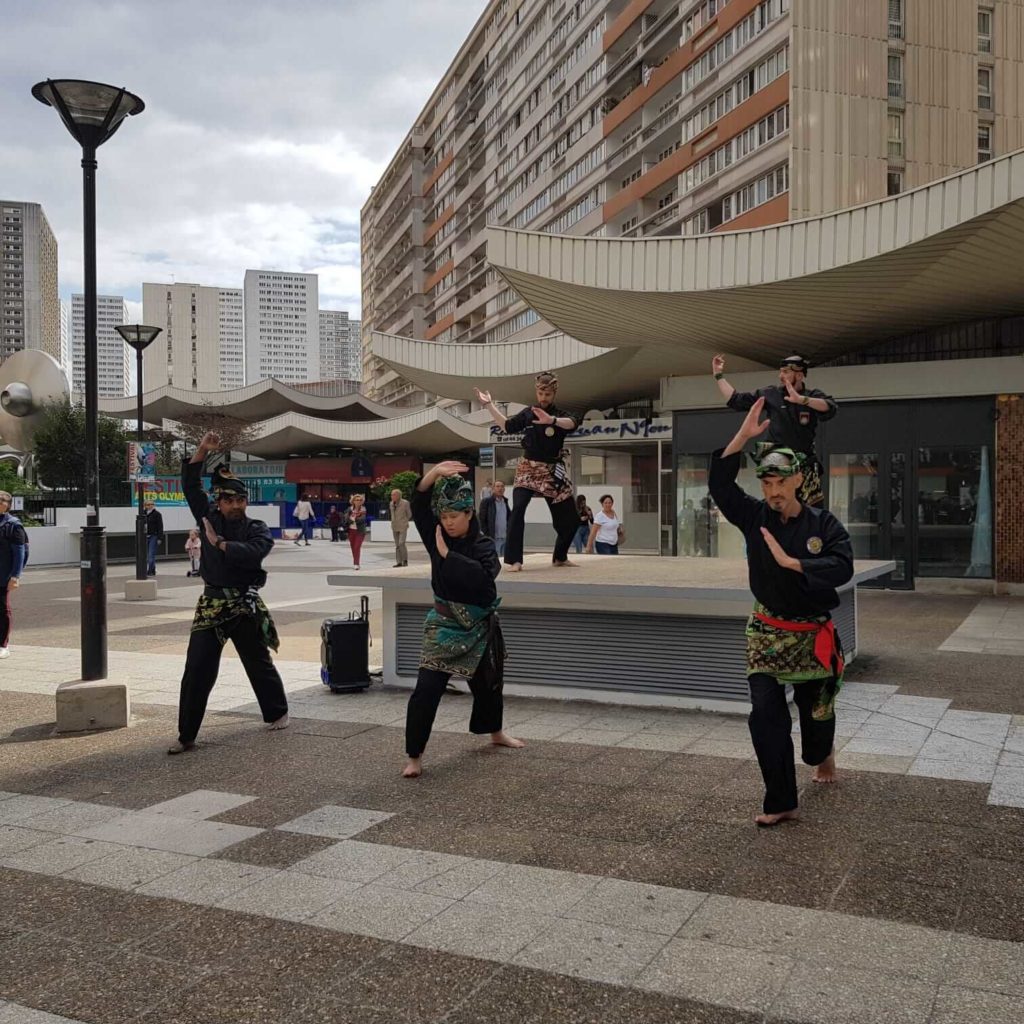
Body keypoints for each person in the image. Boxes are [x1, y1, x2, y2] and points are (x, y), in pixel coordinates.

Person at [708, 397, 853, 826]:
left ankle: (822, 754)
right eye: (766, 483)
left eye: (779, 483)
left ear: (798, 481)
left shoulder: (823, 525)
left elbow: (842, 565)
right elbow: (720, 485)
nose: (772, 492)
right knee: (765, 717)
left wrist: (798, 565)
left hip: (812, 635)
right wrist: (741, 436)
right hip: (768, 633)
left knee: (816, 719)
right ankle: (781, 800)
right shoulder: (754, 517)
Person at [169, 432, 289, 755]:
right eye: (230, 501)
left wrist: (219, 544)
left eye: (241, 500)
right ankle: (186, 735)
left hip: (244, 604)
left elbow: (256, 551)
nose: (236, 506)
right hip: (211, 604)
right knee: (197, 667)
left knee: (257, 661)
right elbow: (191, 487)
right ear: (219, 502)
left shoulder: (256, 528)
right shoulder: (207, 517)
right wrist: (201, 451)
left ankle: (277, 712)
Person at [403, 461, 524, 778]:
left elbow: (485, 582)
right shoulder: (436, 535)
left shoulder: (483, 546)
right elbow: (418, 504)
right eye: (444, 517)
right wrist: (433, 473)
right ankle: (414, 756)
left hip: (478, 627)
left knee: (489, 685)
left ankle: (495, 732)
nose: (448, 522)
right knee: (426, 691)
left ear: (469, 514)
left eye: (454, 516)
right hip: (443, 626)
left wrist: (448, 556)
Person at [475, 371, 579, 571]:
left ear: (554, 393)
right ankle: (515, 560)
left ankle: (560, 556)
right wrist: (489, 405)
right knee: (519, 508)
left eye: (547, 394)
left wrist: (552, 421)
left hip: (552, 470)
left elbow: (573, 423)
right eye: (541, 393)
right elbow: (507, 426)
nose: (543, 398)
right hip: (528, 468)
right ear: (537, 392)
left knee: (571, 519)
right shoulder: (528, 413)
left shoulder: (562, 415)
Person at [712, 353, 838, 507]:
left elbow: (830, 407)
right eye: (780, 371)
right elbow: (736, 400)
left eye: (785, 372)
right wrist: (718, 375)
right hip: (776, 462)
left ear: (799, 375)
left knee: (812, 512)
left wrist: (801, 400)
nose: (780, 376)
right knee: (777, 509)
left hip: (804, 465)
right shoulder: (771, 394)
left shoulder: (811, 396)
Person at [0, 491, 27, 660]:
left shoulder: (13, 525)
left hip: (3, 575)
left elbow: (20, 553)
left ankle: (3, 645)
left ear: (7, 505)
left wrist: (15, 576)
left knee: (2, 609)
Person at [478, 480, 511, 558]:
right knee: (495, 561)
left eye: (502, 486)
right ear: (493, 489)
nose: (500, 488)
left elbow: (508, 518)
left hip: (505, 538)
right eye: (498, 486)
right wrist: (487, 536)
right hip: (493, 539)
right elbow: (482, 520)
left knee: (504, 561)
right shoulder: (487, 502)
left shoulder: (505, 502)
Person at [344, 493, 368, 570]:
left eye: (360, 500)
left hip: (360, 531)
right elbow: (346, 518)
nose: (358, 501)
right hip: (351, 530)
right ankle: (356, 561)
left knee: (357, 547)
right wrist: (351, 519)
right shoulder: (349, 509)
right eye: (357, 500)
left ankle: (356, 563)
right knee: (353, 547)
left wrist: (354, 519)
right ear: (353, 501)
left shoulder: (363, 509)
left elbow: (362, 519)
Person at [389, 488, 412, 567]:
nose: (392, 496)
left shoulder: (405, 503)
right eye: (391, 495)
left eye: (394, 495)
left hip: (403, 525)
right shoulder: (391, 503)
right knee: (397, 545)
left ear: (399, 495)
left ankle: (405, 560)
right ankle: (399, 562)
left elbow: (409, 514)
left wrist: (404, 521)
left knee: (401, 543)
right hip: (394, 526)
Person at [144, 501, 164, 577]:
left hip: (154, 536)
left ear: (153, 505)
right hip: (145, 536)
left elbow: (160, 526)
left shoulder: (157, 514)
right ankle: (153, 569)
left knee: (151, 554)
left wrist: (160, 538)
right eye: (146, 505)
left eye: (150, 505)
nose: (148, 506)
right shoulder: (143, 514)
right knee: (147, 555)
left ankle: (150, 570)